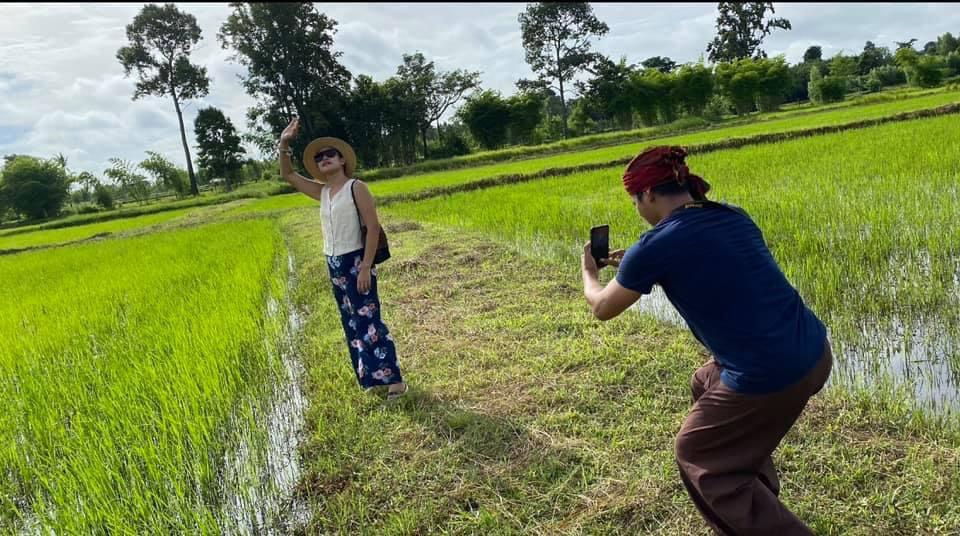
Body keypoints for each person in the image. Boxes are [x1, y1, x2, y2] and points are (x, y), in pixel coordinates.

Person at [580, 146, 831, 535]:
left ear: (648, 195)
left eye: (635, 202)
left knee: (696, 452)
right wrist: (636, 262)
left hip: (769, 375)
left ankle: (755, 509)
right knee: (704, 381)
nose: (638, 210)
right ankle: (754, 484)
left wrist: (589, 273)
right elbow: (710, 257)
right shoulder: (731, 215)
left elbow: (602, 308)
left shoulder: (656, 246)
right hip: (814, 352)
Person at [278, 117, 407, 400]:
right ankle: (371, 378)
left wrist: (365, 267)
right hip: (334, 263)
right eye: (318, 157)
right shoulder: (322, 192)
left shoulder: (355, 187)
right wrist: (284, 143)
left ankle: (395, 381)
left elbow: (372, 227)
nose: (323, 159)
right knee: (351, 322)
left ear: (342, 160)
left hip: (356, 260)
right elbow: (289, 175)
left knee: (369, 320)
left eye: (329, 154)